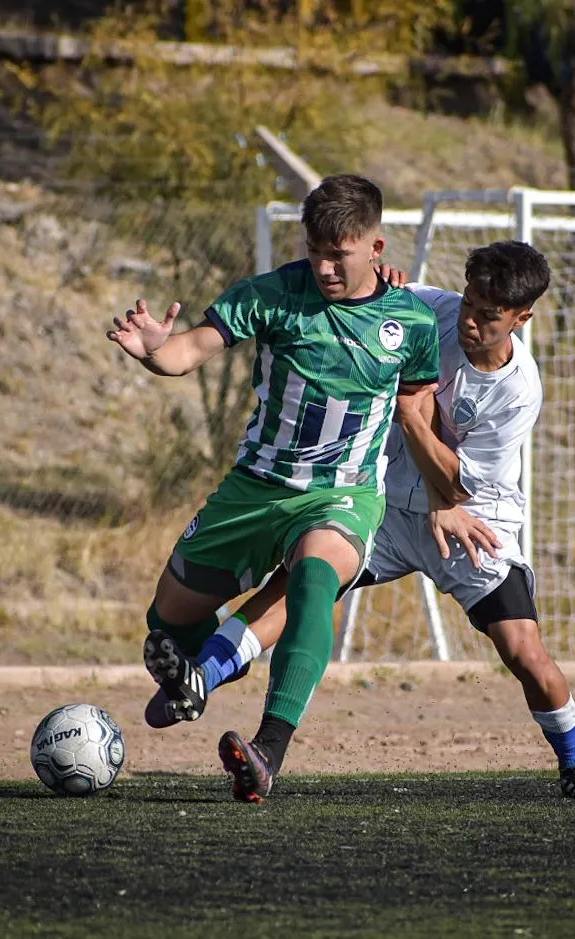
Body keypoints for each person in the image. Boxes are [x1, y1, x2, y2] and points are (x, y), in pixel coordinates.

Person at [148, 241, 575, 803]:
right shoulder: (433, 310)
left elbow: (457, 486)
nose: (469, 321)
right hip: (388, 506)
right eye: (469, 303)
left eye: (488, 316)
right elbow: (377, 300)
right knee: (305, 582)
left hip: (473, 522)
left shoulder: (518, 392)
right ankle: (208, 683)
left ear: (523, 318)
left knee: (524, 653)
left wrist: (413, 422)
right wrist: (381, 276)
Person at [107, 174, 442, 801]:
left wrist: (445, 500)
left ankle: (267, 751)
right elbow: (187, 353)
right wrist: (155, 351)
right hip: (256, 487)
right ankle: (191, 675)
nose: (323, 266)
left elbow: (418, 412)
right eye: (314, 249)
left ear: (376, 247)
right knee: (167, 618)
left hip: (342, 495)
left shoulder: (412, 321)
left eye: (338, 253)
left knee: (317, 579)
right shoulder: (273, 294)